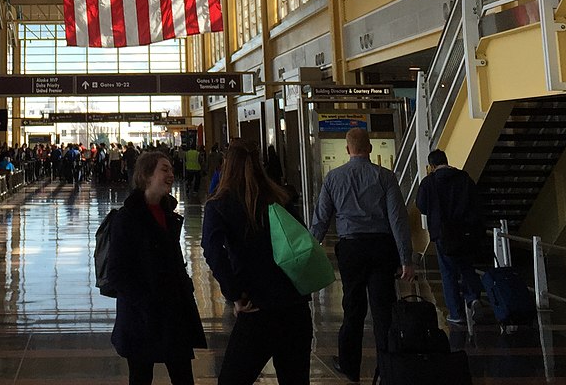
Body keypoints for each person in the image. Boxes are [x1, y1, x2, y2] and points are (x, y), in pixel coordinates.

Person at [202, 140, 312, 385]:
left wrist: (235, 294)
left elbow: (212, 251)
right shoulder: (280, 198)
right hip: (295, 306)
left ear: (226, 165)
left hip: (258, 306)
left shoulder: (220, 204)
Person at [310, 128, 414, 384]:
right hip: (381, 248)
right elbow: (397, 220)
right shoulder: (386, 177)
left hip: (351, 249)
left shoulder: (333, 178)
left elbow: (321, 220)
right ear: (370, 148)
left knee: (353, 308)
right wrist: (406, 259)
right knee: (383, 311)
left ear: (347, 150)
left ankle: (349, 366)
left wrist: (310, 252)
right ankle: (386, 369)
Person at [106, 150, 206, 385]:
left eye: (171, 169)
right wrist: (145, 300)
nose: (171, 174)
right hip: (142, 316)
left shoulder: (168, 214)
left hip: (172, 312)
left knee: (183, 375)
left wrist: (184, 286)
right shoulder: (127, 218)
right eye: (164, 169)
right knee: (141, 376)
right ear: (146, 175)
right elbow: (116, 273)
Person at [416, 149, 485, 325]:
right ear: (446, 160)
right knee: (467, 266)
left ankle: (456, 313)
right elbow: (476, 202)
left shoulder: (428, 182)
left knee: (448, 272)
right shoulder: (464, 178)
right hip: (465, 231)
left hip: (443, 234)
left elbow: (422, 206)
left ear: (432, 166)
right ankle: (474, 298)